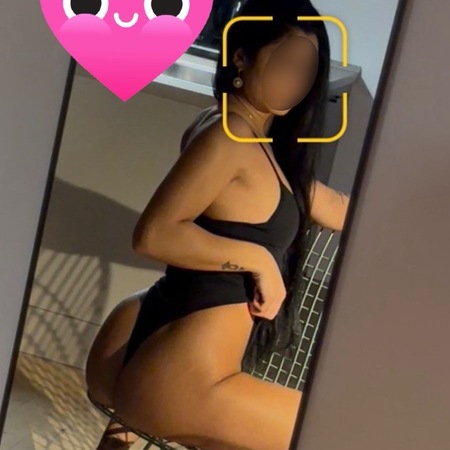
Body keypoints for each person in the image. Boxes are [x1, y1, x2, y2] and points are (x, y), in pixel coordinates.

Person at [85, 0, 350, 449]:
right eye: (285, 62)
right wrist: (259, 260)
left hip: (150, 341)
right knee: (341, 429)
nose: (296, 81)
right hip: (177, 375)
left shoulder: (247, 137)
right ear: (241, 56)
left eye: (307, 70)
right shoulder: (229, 136)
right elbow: (153, 235)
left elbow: (334, 206)